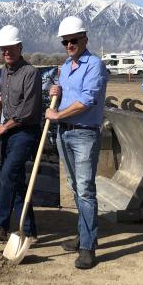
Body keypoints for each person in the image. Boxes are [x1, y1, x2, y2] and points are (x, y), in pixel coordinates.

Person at [47, 16, 108, 269]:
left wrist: (58, 115)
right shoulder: (66, 66)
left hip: (84, 134)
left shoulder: (95, 65)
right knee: (74, 186)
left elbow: (87, 100)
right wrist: (55, 92)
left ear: (85, 39)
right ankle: (83, 234)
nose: (69, 45)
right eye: (65, 42)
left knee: (85, 189)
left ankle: (88, 246)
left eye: (74, 40)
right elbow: (65, 94)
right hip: (64, 133)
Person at [0, 25, 42, 243]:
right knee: (16, 181)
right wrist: (1, 101)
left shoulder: (31, 73)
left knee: (8, 174)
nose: (6, 52)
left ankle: (1, 225)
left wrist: (5, 126)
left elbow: (27, 109)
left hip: (24, 132)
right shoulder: (5, 71)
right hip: (9, 131)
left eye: (10, 48)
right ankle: (29, 230)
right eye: (3, 49)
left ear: (20, 47)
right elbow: (13, 101)